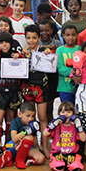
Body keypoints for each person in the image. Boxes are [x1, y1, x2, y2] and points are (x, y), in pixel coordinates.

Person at [21, 24, 51, 153]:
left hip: (41, 88)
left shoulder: (44, 50)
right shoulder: (23, 52)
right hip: (27, 88)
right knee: (29, 118)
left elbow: (51, 65)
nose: (31, 41)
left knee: (43, 117)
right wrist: (19, 56)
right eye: (28, 38)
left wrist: (48, 54)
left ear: (39, 38)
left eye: (34, 38)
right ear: (25, 38)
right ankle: (34, 145)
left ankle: (45, 146)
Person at [43, 102, 86, 171]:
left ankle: (70, 163)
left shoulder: (75, 127)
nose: (66, 114)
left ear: (73, 114)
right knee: (59, 167)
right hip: (58, 153)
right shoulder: (56, 126)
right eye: (63, 112)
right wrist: (53, 124)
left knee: (76, 167)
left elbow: (83, 139)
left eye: (69, 112)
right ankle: (59, 162)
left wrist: (79, 127)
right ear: (59, 113)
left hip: (72, 154)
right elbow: (45, 133)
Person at [7, 102, 46, 169]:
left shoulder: (32, 123)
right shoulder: (15, 122)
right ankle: (19, 160)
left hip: (25, 147)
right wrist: (26, 132)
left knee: (41, 158)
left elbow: (34, 142)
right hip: (10, 146)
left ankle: (26, 159)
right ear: (20, 114)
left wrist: (37, 149)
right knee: (29, 137)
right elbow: (14, 138)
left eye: (32, 116)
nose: (30, 119)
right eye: (28, 116)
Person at [56, 25, 79, 104]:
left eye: (73, 35)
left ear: (77, 35)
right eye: (68, 35)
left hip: (79, 87)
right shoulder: (60, 50)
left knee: (78, 111)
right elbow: (60, 68)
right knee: (67, 111)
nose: (70, 37)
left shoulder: (79, 49)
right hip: (64, 88)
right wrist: (75, 72)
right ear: (63, 36)